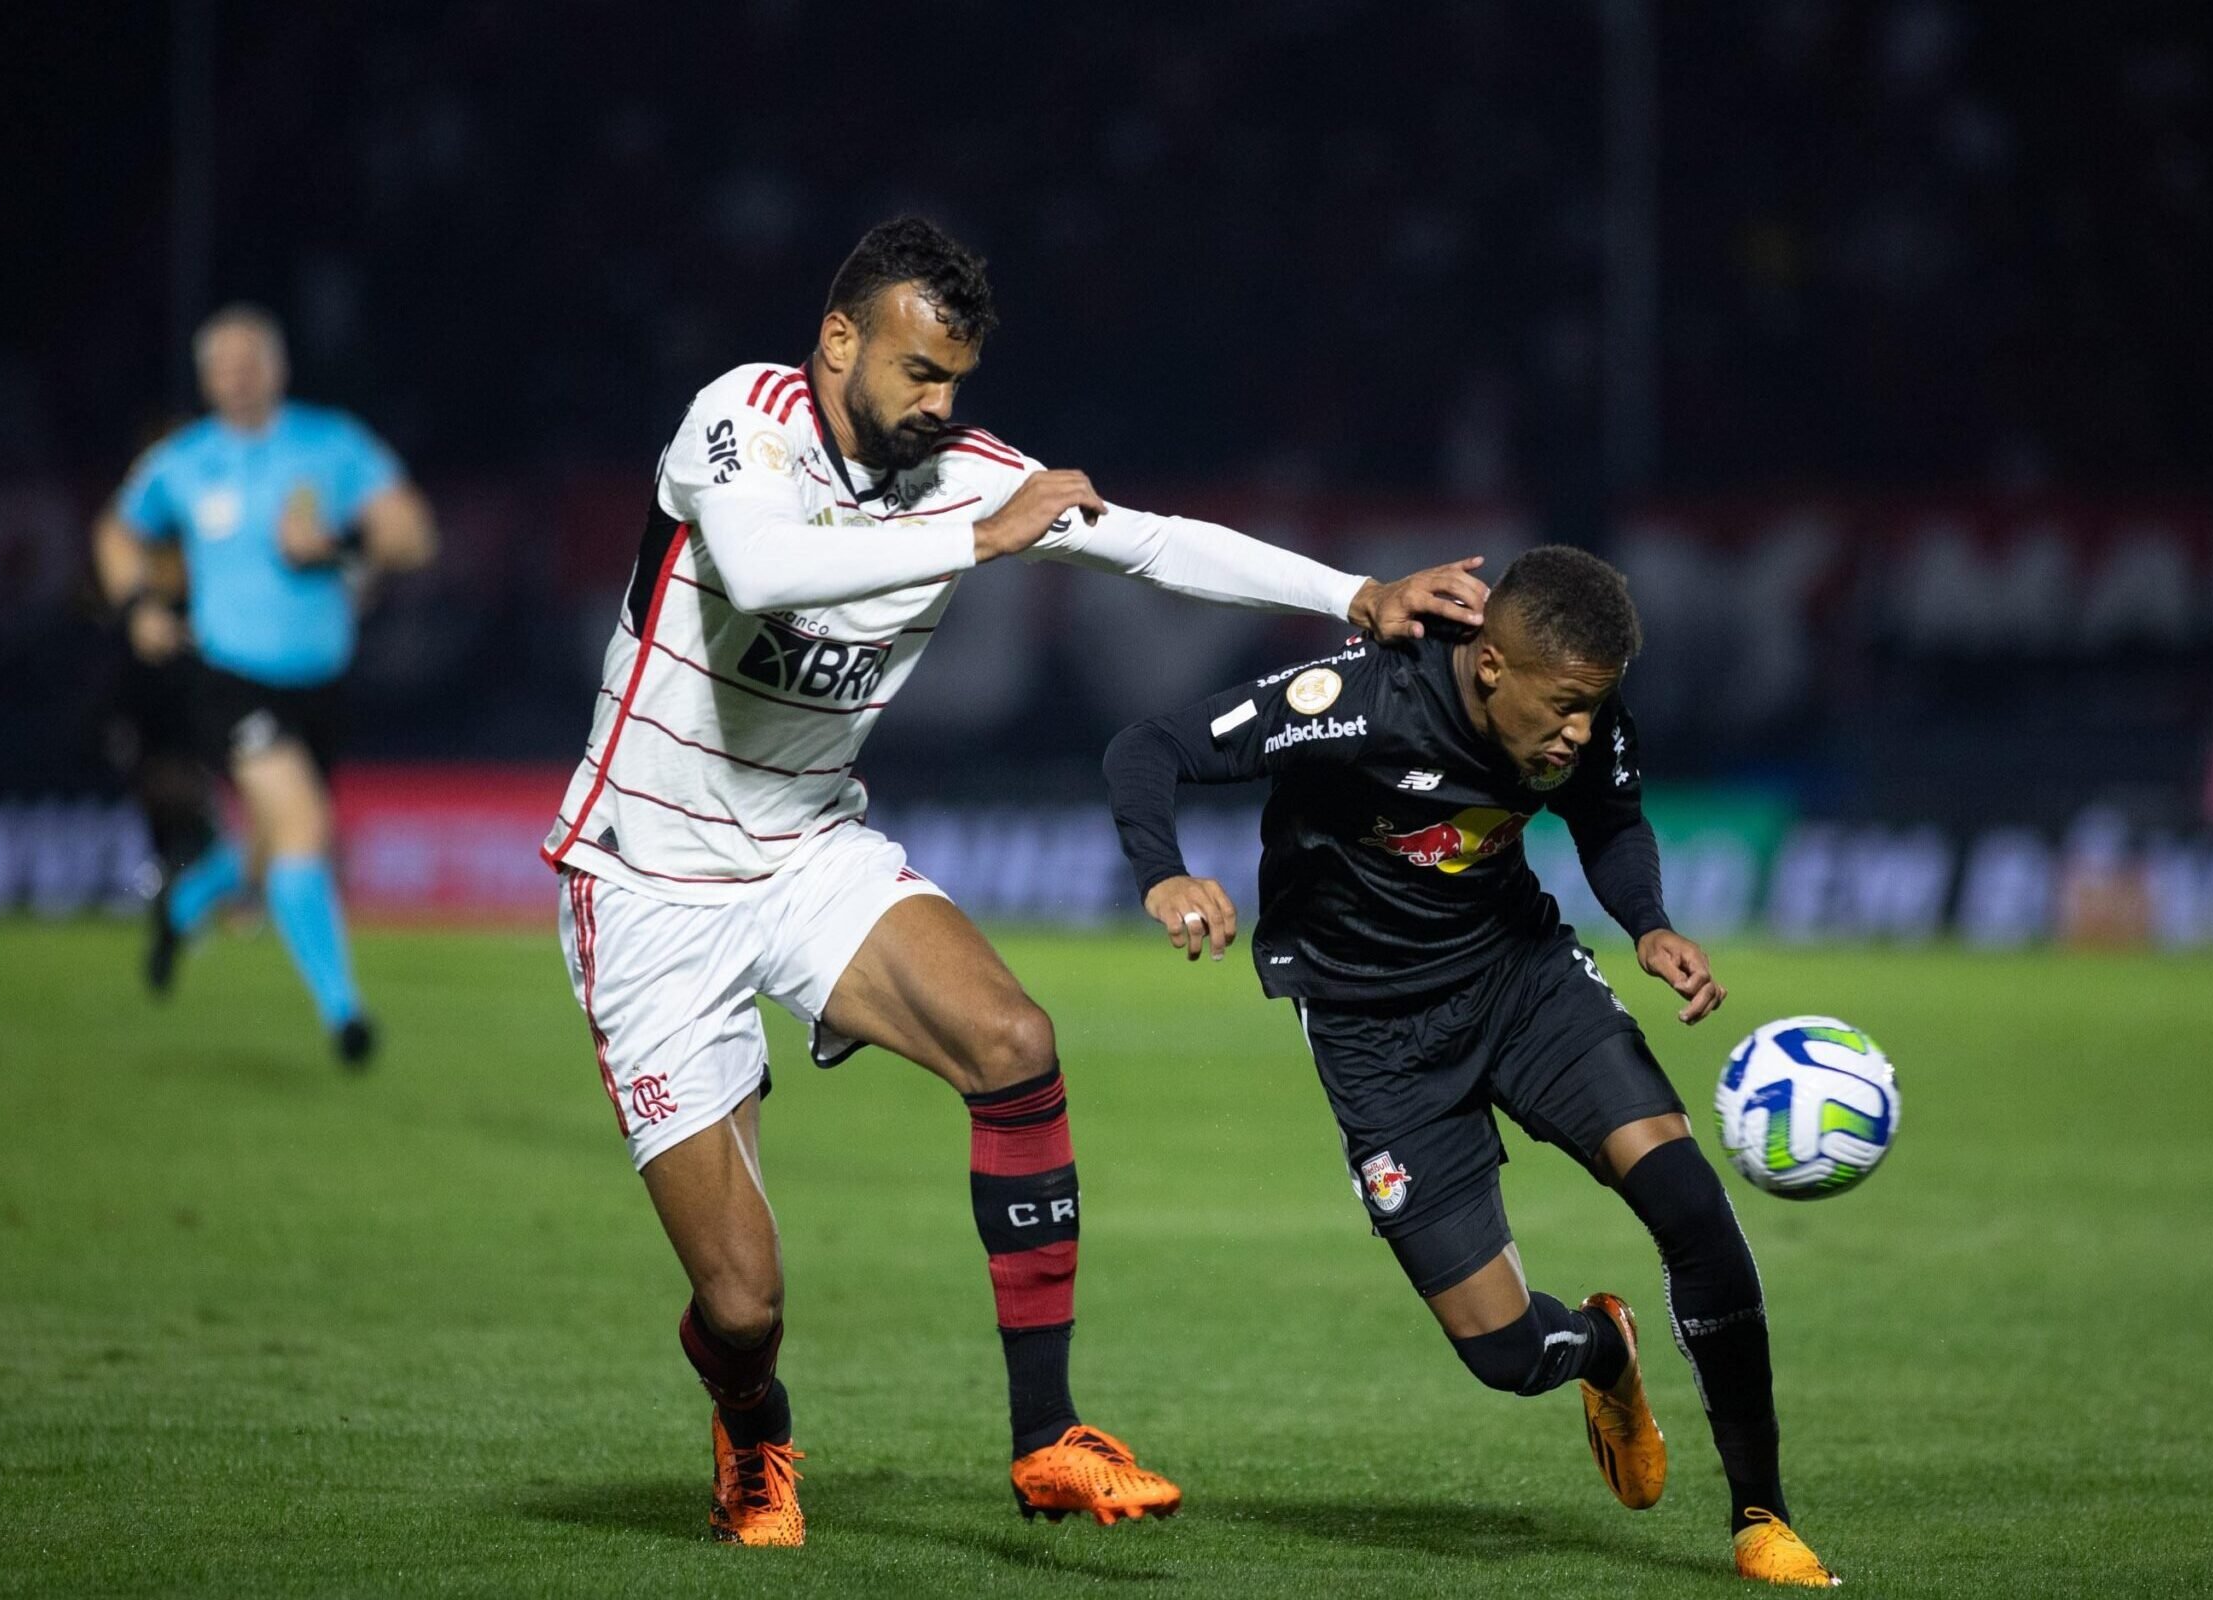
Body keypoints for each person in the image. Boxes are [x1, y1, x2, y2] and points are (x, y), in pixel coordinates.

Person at [542, 215, 1489, 1546]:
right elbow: (760, 570)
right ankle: (754, 1423)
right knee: (744, 1302)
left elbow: (1152, 544)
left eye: (956, 384)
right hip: (646, 881)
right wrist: (984, 545)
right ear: (838, 341)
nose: (940, 405)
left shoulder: (969, 472)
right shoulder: (737, 423)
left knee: (1014, 1041)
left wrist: (1360, 594)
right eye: (919, 373)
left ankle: (1047, 1438)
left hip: (811, 851)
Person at [1102, 546, 1839, 1587]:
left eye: (1597, 708)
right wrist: (1166, 875)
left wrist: (1648, 925)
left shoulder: (1582, 713)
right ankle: (1601, 1351)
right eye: (1568, 705)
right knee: (1506, 1355)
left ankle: (1761, 1515)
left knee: (1689, 1203)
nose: (1581, 730)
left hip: (1520, 979)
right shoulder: (1357, 702)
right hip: (1373, 1033)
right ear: (1491, 666)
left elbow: (1611, 815)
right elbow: (1147, 746)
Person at [93, 305, 437, 1065]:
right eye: (224, 366)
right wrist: (137, 606)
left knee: (269, 849)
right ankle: (345, 1016)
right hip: (229, 681)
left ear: (278, 369)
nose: (239, 378)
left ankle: (184, 905)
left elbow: (414, 531)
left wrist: (341, 541)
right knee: (304, 830)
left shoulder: (331, 444)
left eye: (251, 362)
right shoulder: (183, 462)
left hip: (321, 688)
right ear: (206, 377)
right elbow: (117, 533)